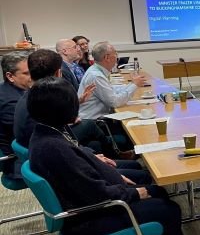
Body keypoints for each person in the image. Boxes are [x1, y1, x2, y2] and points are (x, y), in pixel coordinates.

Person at [27, 76, 200, 235]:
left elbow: (81, 164)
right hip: (88, 218)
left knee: (157, 190)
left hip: (87, 205)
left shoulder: (48, 132)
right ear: (62, 109)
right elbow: (96, 194)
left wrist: (111, 173)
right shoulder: (54, 148)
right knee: (168, 208)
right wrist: (136, 193)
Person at [14, 49, 145, 181]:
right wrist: (91, 158)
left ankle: (114, 153)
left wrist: (89, 155)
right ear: (58, 72)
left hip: (54, 157)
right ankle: (116, 153)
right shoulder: (45, 101)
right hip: (67, 164)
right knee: (89, 126)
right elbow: (63, 141)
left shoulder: (32, 97)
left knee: (95, 143)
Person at [78, 41, 147, 120]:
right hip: (94, 122)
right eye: (115, 54)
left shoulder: (96, 70)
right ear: (107, 58)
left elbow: (111, 90)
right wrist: (134, 85)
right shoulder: (96, 76)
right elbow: (115, 102)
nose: (117, 57)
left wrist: (132, 84)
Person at [0, 52, 31, 180]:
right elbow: (27, 135)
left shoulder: (14, 90)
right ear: (10, 76)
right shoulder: (11, 102)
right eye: (26, 73)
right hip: (19, 160)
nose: (32, 76)